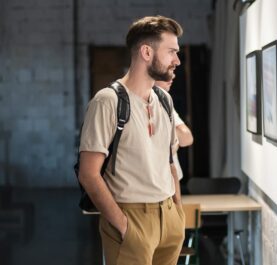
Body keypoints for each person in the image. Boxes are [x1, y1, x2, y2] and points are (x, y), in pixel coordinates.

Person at [78, 16, 185, 265]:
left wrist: (177, 214)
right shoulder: (107, 102)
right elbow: (89, 174)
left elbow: (169, 161)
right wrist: (124, 226)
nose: (177, 61)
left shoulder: (164, 101)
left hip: (168, 218)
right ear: (146, 52)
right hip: (130, 218)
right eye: (171, 52)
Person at [155, 76, 194, 181]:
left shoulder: (165, 100)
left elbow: (187, 138)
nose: (173, 76)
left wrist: (167, 131)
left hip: (172, 179)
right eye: (167, 72)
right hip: (156, 181)